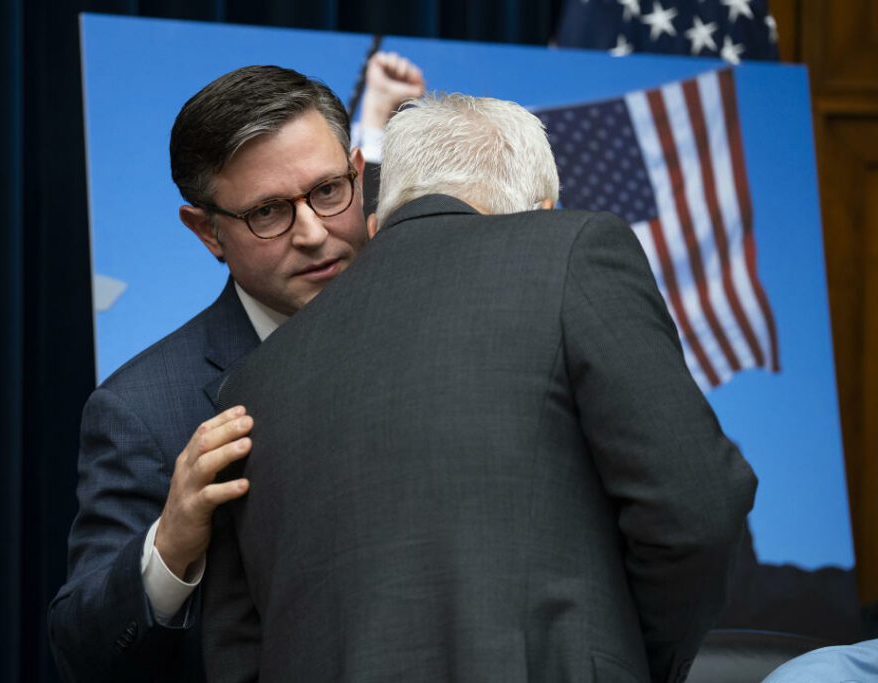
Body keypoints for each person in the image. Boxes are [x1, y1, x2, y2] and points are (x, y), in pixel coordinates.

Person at [205, 94, 758, 683]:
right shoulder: (573, 249)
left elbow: (236, 646)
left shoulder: (252, 383)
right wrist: (619, 656)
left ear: (375, 222)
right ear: (541, 210)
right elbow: (698, 509)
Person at [47, 60, 421, 683]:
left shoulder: (440, 331)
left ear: (360, 173)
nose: (312, 233)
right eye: (268, 213)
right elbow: (82, 652)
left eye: (329, 191)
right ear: (207, 232)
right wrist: (170, 545)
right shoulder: (141, 411)